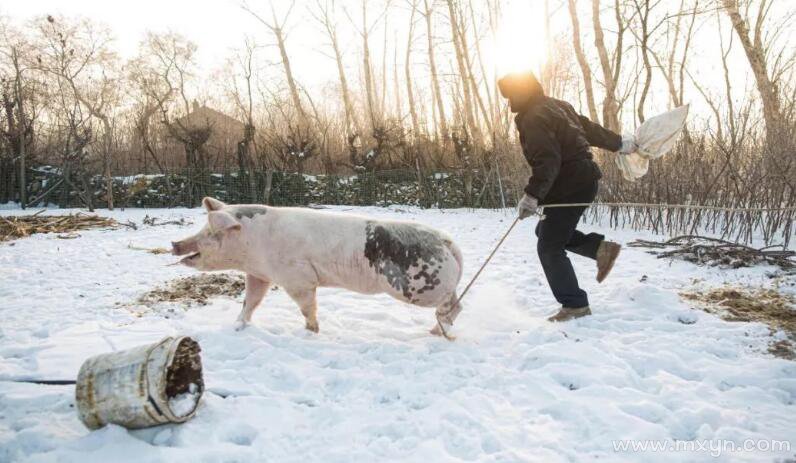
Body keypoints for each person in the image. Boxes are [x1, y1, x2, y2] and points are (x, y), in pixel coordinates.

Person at [498, 71, 637, 322]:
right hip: (583, 181)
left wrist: (532, 195)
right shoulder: (558, 106)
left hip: (569, 184)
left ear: (521, 91)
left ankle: (575, 305)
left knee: (549, 247)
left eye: (510, 95)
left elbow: (548, 160)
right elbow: (590, 130)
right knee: (547, 232)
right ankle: (600, 250)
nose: (509, 102)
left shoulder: (533, 117)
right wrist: (619, 144)